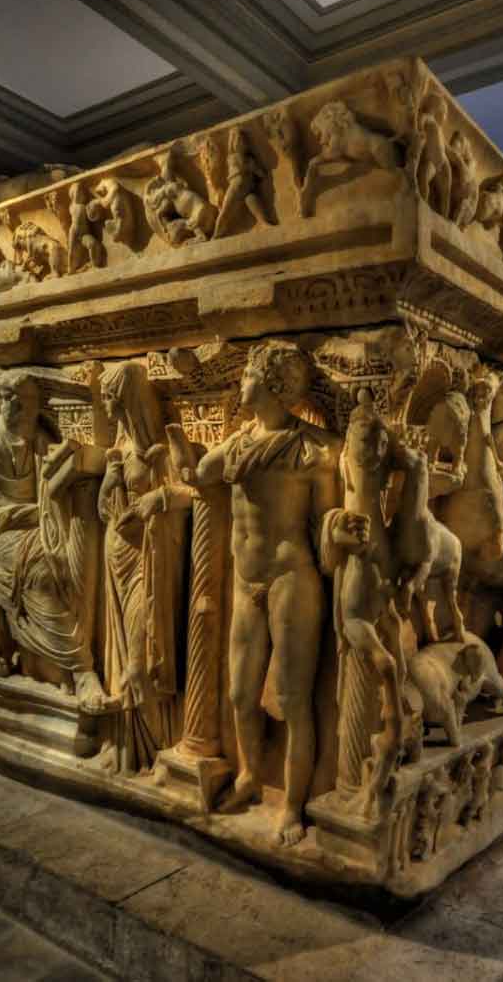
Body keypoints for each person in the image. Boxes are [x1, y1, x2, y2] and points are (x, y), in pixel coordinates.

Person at [192, 341, 358, 846]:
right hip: (247, 581)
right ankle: (248, 776)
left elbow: (324, 520)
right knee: (241, 694)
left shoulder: (315, 450)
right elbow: (202, 473)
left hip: (291, 579)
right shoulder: (240, 444)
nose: (239, 383)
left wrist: (341, 529)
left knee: (292, 698)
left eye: (247, 375)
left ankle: (291, 804)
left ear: (274, 385)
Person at [0, 370, 106, 706]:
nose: (16, 407)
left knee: (68, 561)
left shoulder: (41, 439)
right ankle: (81, 668)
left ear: (36, 406)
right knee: (42, 572)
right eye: (8, 398)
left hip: (39, 521)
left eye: (25, 401)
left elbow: (51, 493)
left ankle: (59, 663)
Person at [97, 362, 192, 772]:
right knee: (120, 661)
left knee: (141, 665)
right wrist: (110, 478)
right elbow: (103, 509)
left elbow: (191, 492)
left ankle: (160, 748)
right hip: (116, 556)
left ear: (127, 400)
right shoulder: (120, 450)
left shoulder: (158, 448)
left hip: (147, 560)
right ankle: (130, 750)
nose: (106, 407)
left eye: (110, 398)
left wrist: (160, 498)